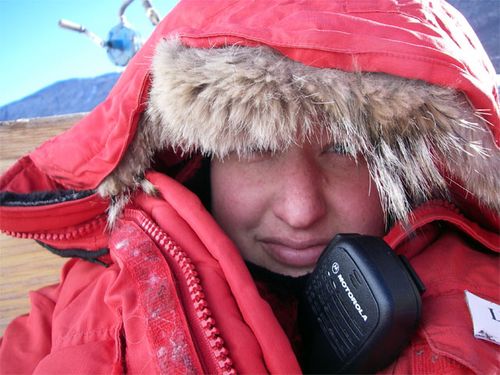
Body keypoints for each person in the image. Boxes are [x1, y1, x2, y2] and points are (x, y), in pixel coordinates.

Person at [0, 0, 498, 373]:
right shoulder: (66, 322)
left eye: (345, 151)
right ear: (196, 159)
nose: (300, 210)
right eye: (251, 147)